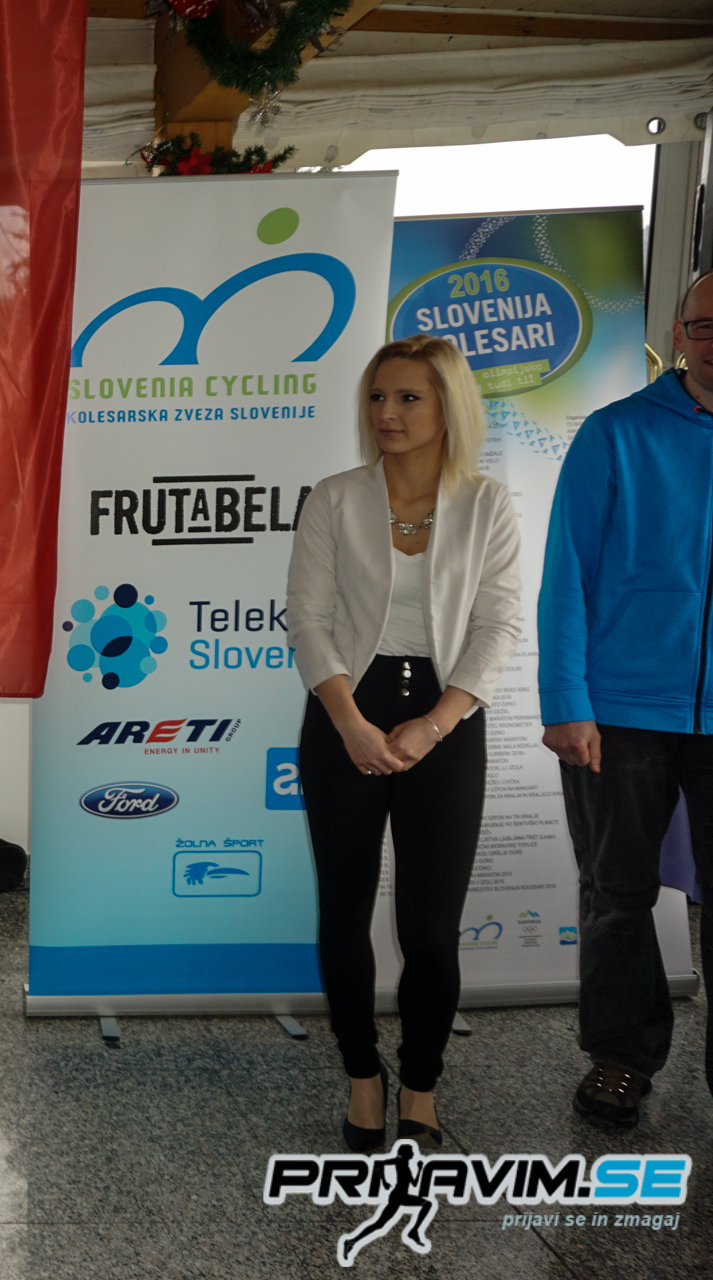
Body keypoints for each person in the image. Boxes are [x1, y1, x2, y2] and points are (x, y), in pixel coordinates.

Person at [287, 335, 522, 1153]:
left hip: (446, 719)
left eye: (408, 398)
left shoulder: (487, 504)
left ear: (448, 408)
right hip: (345, 710)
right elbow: (307, 618)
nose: (387, 413)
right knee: (343, 914)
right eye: (378, 397)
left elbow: (498, 625)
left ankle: (420, 1084)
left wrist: (437, 722)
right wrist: (350, 722)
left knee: (429, 931)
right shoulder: (335, 498)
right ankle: (363, 1076)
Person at [540, 268, 713, 1128]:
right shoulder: (615, 433)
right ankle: (620, 1056)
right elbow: (565, 575)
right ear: (679, 335)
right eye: (705, 325)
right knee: (617, 892)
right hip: (618, 712)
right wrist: (565, 701)